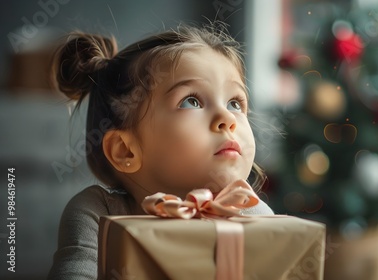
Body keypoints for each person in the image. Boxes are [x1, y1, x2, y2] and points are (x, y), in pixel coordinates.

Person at [48, 22, 274, 279]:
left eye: (235, 102)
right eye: (192, 101)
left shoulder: (252, 214)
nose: (227, 118)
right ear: (126, 151)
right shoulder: (97, 213)